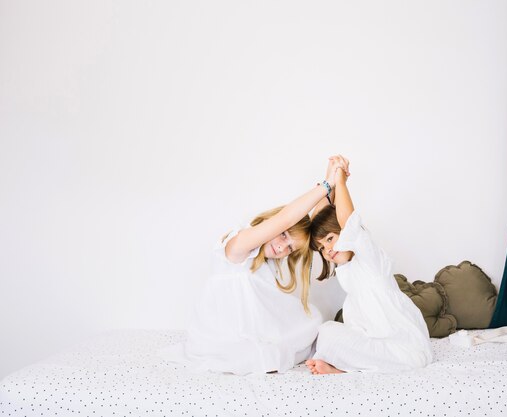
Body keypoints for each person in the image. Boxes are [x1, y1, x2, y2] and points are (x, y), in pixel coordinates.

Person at [161, 156, 350, 375]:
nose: (282, 249)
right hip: (226, 337)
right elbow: (285, 219)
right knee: (261, 354)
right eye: (284, 237)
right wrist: (327, 183)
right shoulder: (237, 247)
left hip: (258, 328)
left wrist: (332, 184)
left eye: (290, 248)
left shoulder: (266, 262)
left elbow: (314, 226)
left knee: (315, 325)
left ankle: (340, 360)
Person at [306, 157, 433, 374]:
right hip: (375, 343)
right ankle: (347, 368)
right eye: (322, 249)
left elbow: (347, 221)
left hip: (406, 350)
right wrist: (329, 179)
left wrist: (341, 181)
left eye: (330, 239)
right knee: (326, 333)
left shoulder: (368, 256)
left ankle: (343, 371)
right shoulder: (346, 267)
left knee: (328, 334)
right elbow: (319, 220)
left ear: (345, 233)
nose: (328, 250)